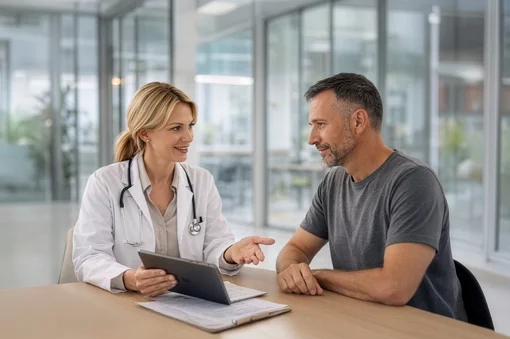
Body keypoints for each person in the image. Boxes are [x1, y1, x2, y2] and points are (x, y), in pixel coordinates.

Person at [275, 73, 467, 320]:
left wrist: (316, 275)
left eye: (321, 124)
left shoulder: (414, 181)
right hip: (363, 322)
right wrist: (293, 270)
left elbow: (394, 288)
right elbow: (296, 248)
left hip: (423, 337)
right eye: (312, 125)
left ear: (358, 121)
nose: (312, 138)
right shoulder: (333, 183)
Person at [73, 82, 274, 297]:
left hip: (188, 303)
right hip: (128, 304)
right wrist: (131, 279)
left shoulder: (200, 180)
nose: (189, 137)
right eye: (176, 128)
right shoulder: (106, 182)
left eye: (190, 125)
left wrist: (231, 253)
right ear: (144, 134)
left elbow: (214, 245)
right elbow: (89, 257)